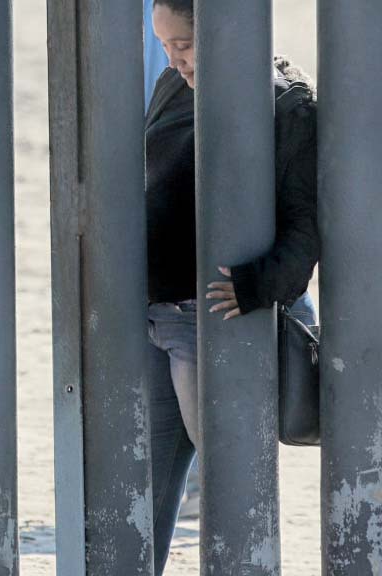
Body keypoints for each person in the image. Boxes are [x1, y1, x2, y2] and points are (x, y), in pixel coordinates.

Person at [146, 1, 319, 573]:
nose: (175, 61)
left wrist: (258, 286)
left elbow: (305, 225)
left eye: (183, 44)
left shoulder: (287, 103)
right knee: (144, 485)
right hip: (153, 317)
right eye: (165, 46)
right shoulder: (174, 85)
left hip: (214, 321)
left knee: (230, 482)